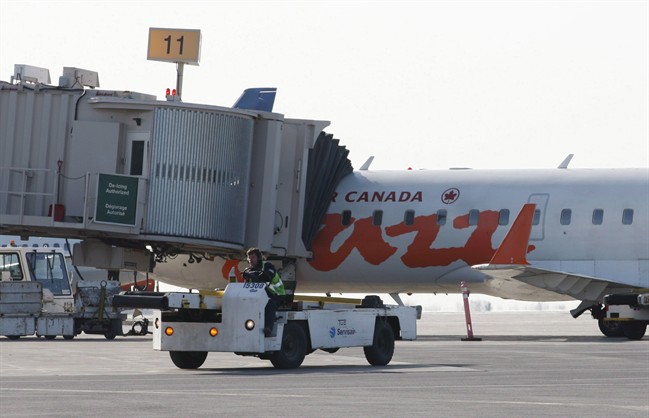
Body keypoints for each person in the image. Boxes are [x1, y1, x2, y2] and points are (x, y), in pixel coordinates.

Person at [242, 248, 285, 337]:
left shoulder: (268, 266)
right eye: (249, 258)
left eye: (253, 257)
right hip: (260, 296)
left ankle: (268, 328)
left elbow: (268, 277)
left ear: (259, 258)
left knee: (269, 303)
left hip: (276, 295)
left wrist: (255, 276)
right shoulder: (248, 271)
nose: (250, 259)